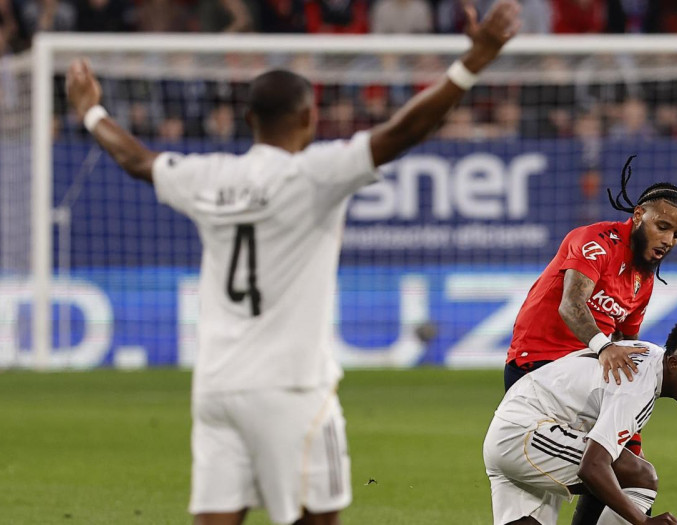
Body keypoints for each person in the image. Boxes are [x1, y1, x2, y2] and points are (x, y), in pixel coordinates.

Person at [63, 2, 521, 524]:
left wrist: (91, 111)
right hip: (292, 388)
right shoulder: (313, 175)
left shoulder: (206, 175)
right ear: (309, 118)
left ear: (248, 120)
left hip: (216, 386)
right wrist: (472, 63)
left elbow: (136, 159)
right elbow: (401, 132)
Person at [504, 156, 677, 524]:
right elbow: (571, 306)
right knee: (609, 471)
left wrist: (631, 419)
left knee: (623, 467)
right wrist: (604, 347)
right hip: (537, 367)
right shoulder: (595, 242)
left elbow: (632, 349)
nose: (669, 240)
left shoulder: (644, 280)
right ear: (638, 215)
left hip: (585, 381)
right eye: (663, 226)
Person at [485, 314, 677, 525]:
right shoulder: (638, 387)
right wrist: (643, 521)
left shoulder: (649, 355)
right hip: (525, 435)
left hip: (517, 428)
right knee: (640, 476)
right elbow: (592, 467)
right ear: (674, 363)